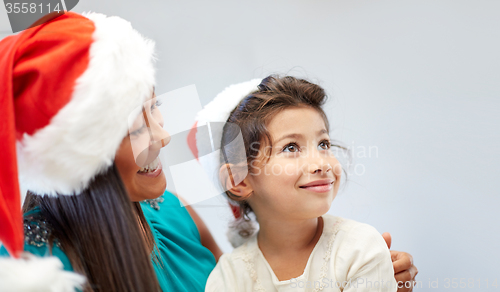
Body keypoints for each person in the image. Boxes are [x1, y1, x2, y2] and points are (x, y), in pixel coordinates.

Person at [0, 12, 216, 292]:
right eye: (136, 130)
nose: (163, 138)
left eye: (154, 106)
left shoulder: (174, 211)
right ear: (77, 161)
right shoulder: (30, 273)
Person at [187, 76, 416, 291]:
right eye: (291, 147)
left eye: (324, 144)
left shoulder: (361, 249)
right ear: (239, 181)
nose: (321, 163)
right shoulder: (228, 276)